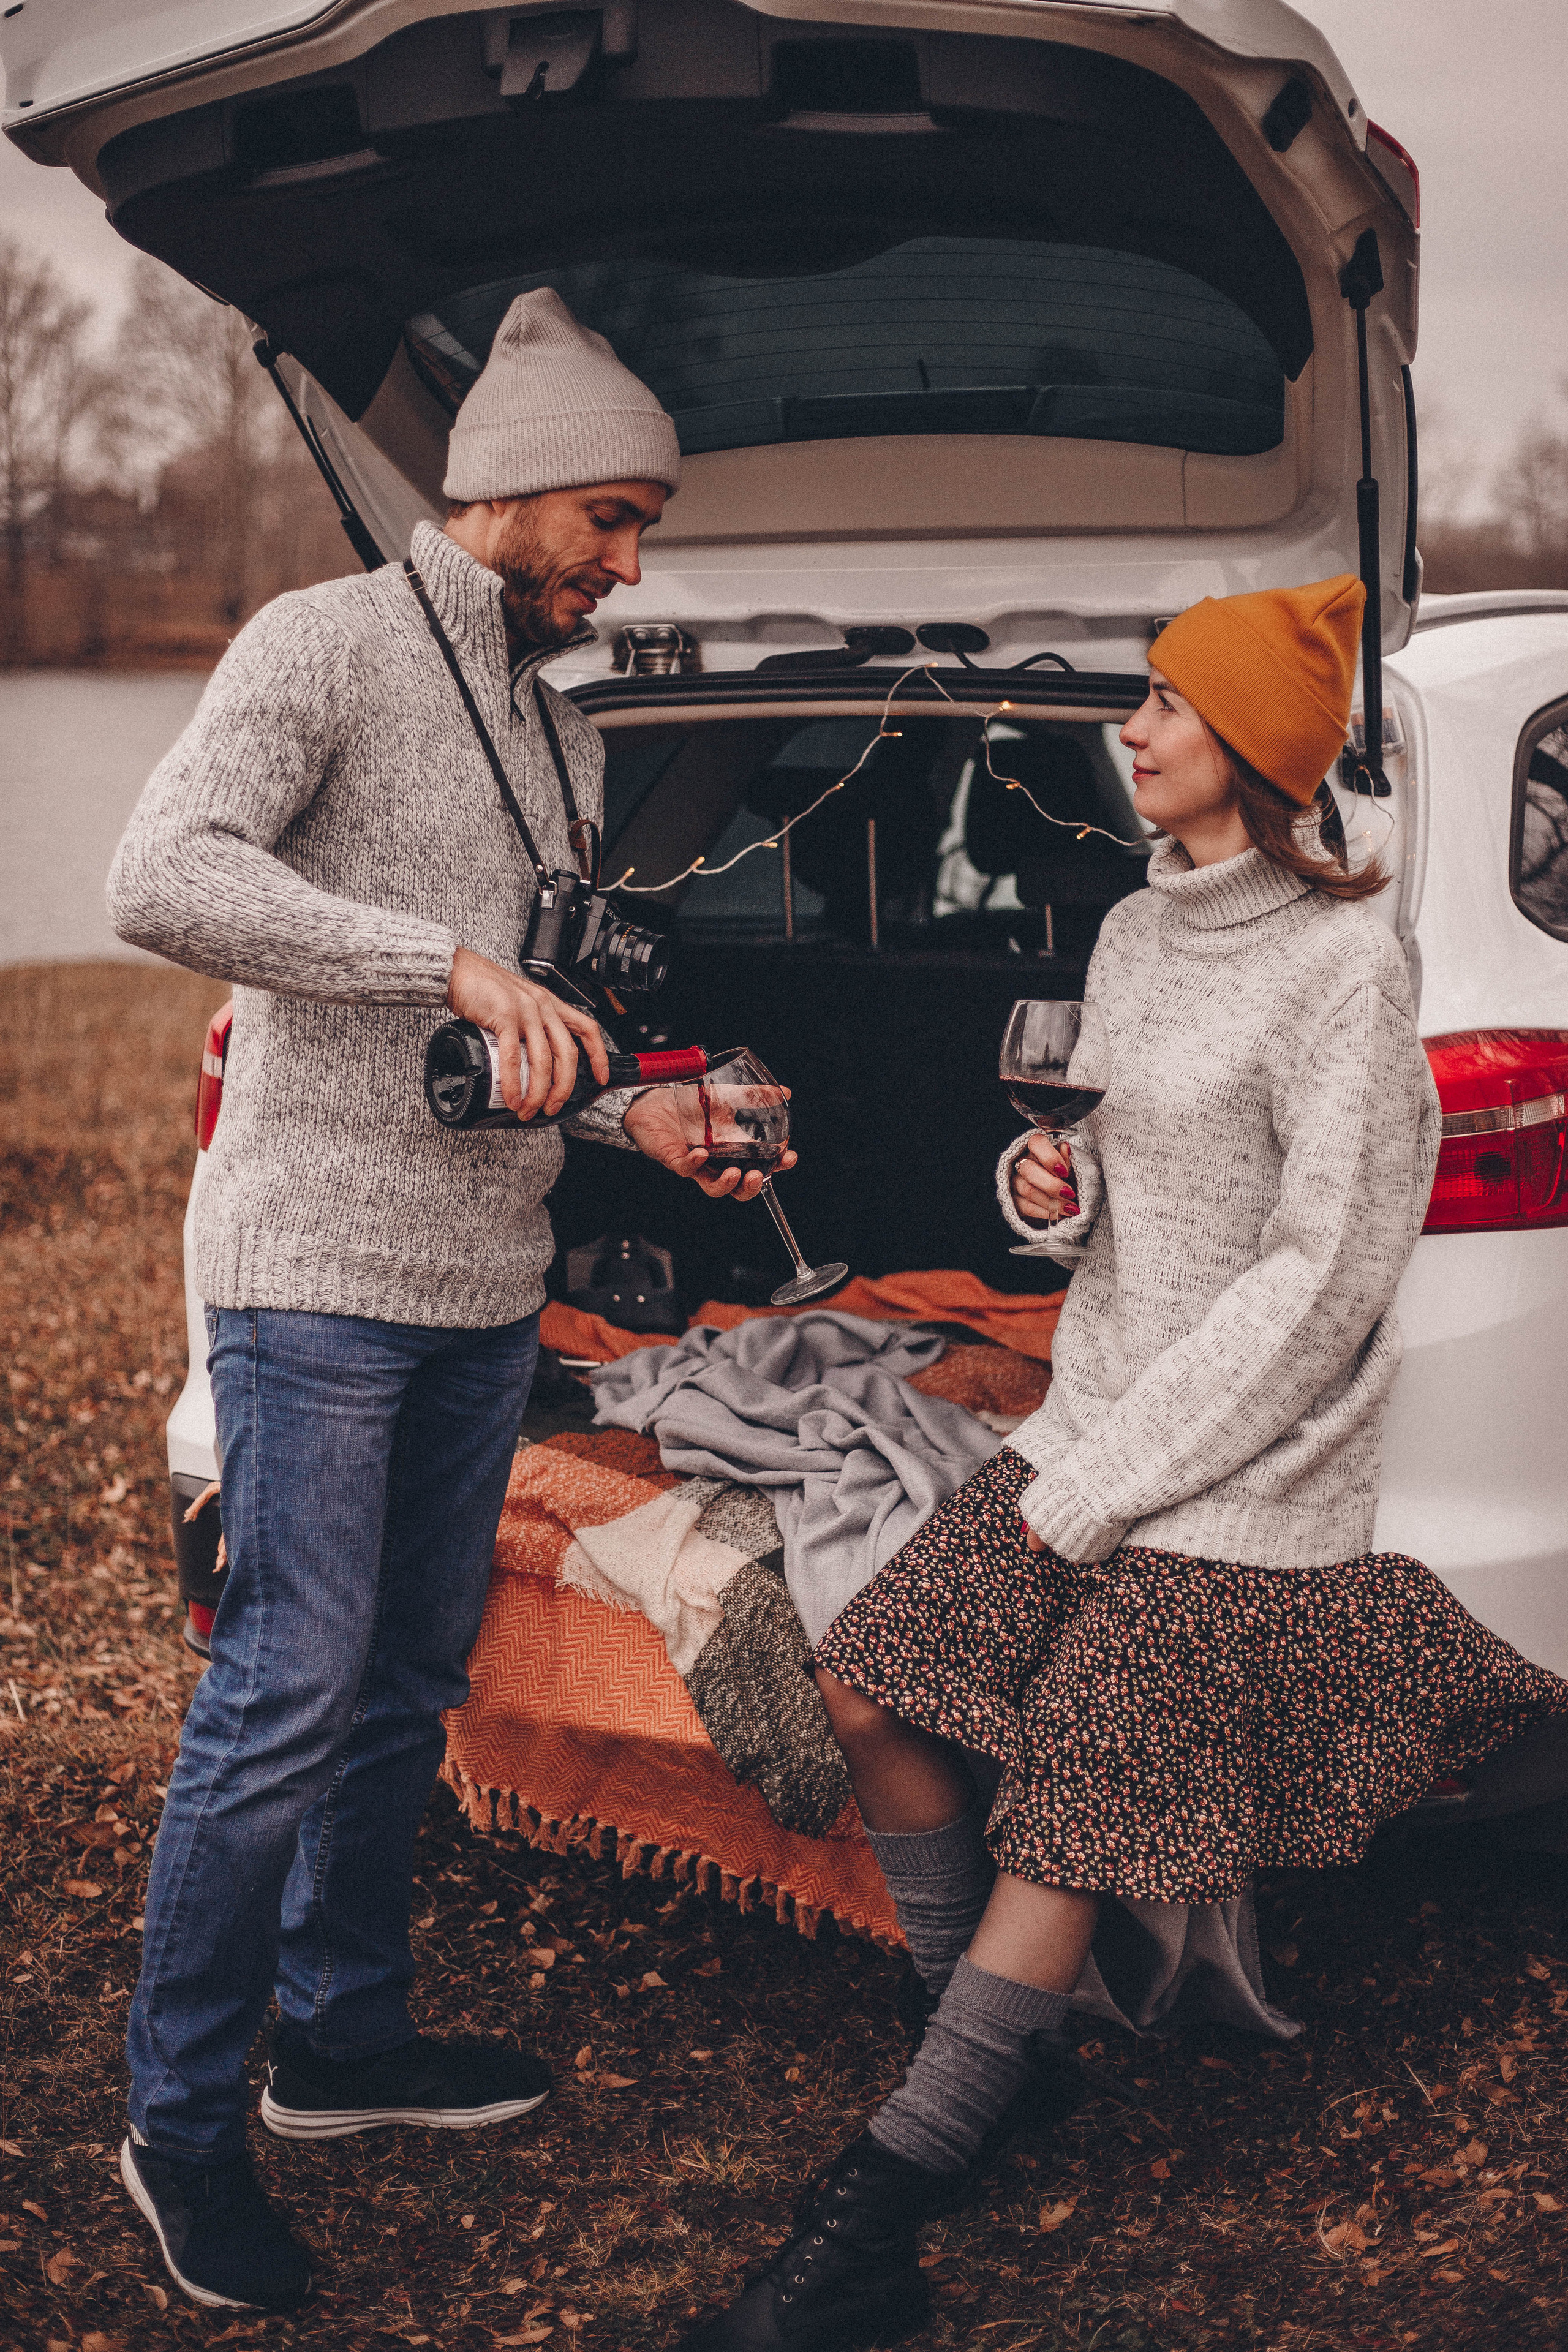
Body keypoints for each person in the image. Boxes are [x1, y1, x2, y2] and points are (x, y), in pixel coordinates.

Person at [686, 576, 1568, 2352]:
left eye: (1167, 706)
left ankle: (876, 2217)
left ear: (1253, 748)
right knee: (871, 1688)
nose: (1133, 731)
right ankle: (996, 2069)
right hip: (1099, 1421)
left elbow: (1318, 1293)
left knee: (1081, 1801)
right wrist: (1058, 1202)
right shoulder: (1134, 935)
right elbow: (1129, 1199)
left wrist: (1103, 1489)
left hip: (1250, 1486)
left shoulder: (1347, 973)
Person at [105, 290, 782, 2316]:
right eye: (612, 513)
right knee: (286, 1687)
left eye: (644, 524)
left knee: (411, 1675)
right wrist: (437, 958)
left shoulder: (562, 728)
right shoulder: (316, 645)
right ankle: (182, 2128)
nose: (630, 561)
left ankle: (343, 2040)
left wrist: (644, 1126)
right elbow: (159, 875)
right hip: (313, 1270)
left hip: (484, 1280)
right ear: (500, 491)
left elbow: (514, 1057)